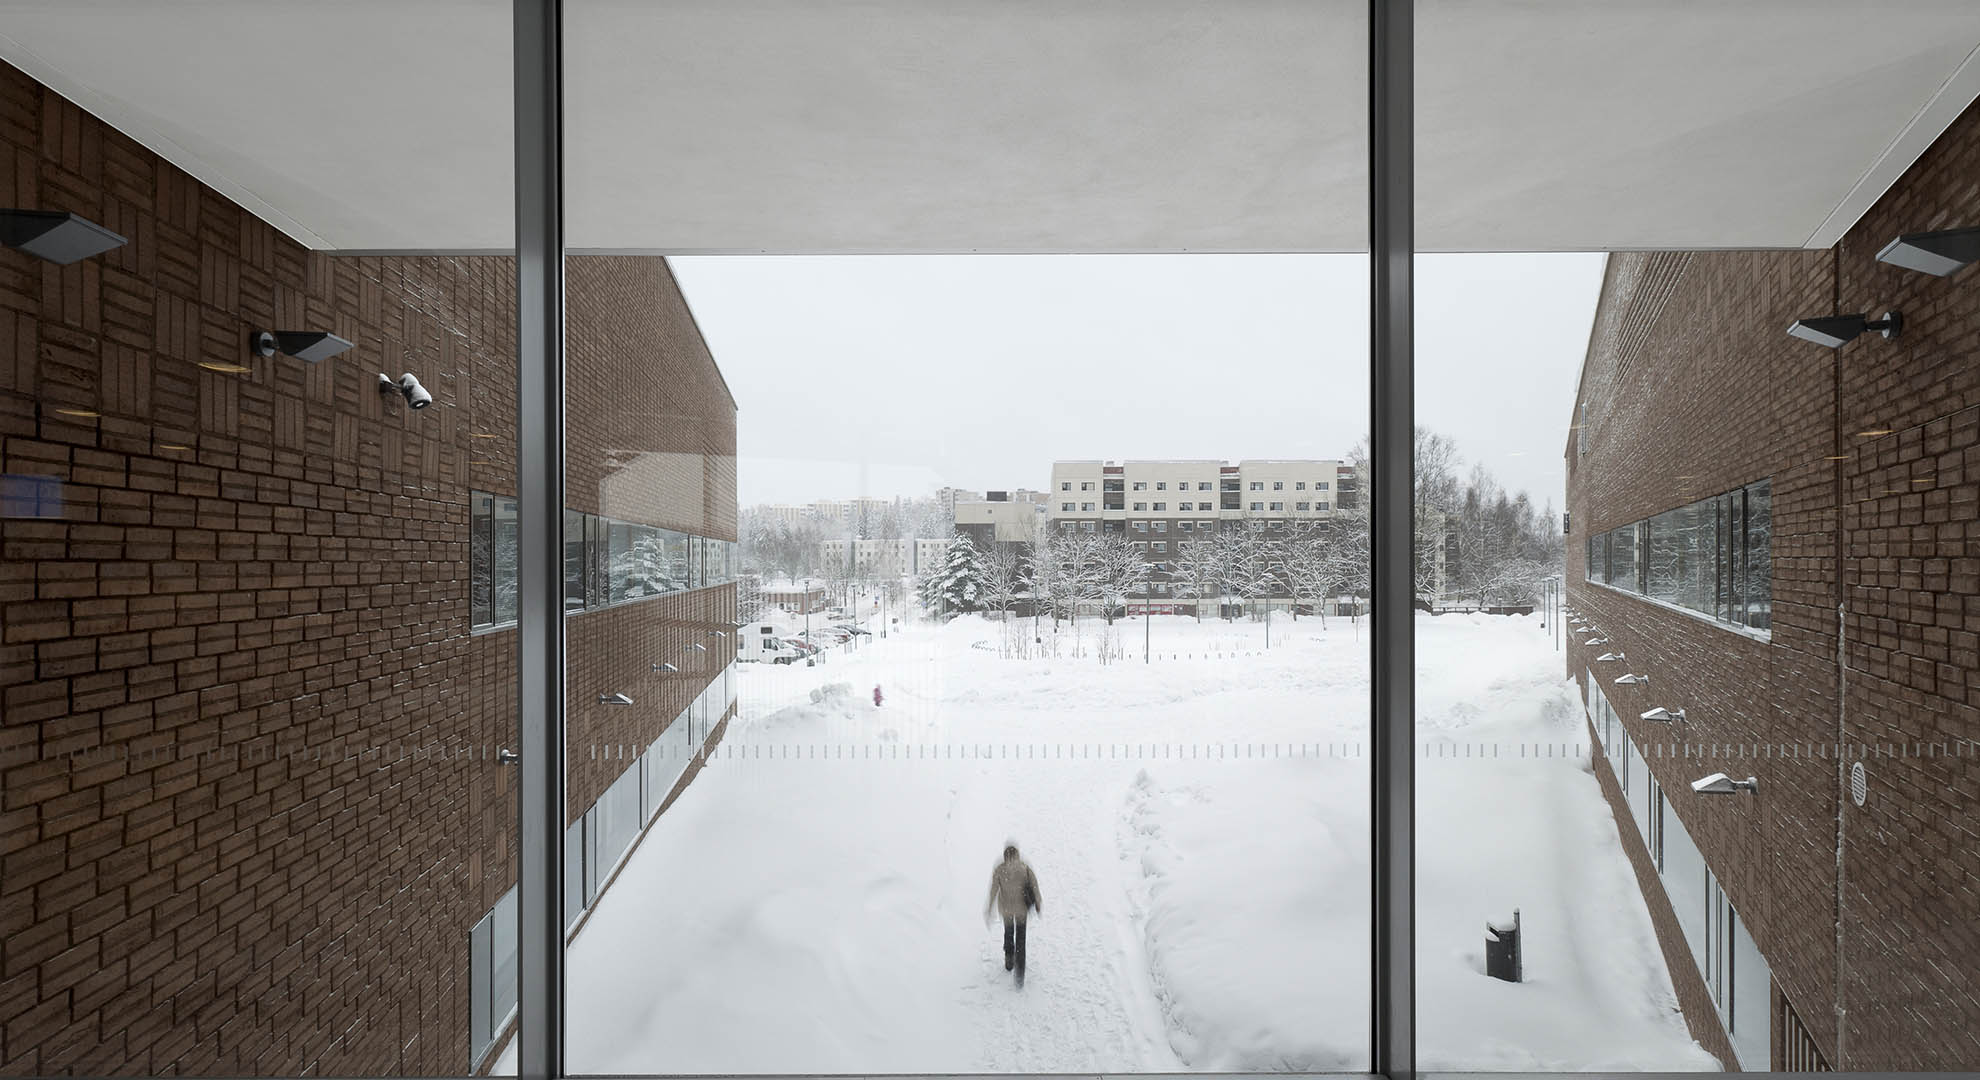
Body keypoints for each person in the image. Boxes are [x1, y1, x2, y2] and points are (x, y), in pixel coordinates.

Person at [983, 842, 1041, 986]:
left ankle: (1009, 960)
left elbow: (993, 891)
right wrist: (1038, 903)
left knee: (1009, 934)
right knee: (1021, 939)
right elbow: (1035, 886)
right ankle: (1020, 973)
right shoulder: (1024, 868)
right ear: (1017, 854)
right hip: (1021, 910)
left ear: (1005, 855)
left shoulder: (1000, 869)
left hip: (1007, 910)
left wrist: (989, 908)